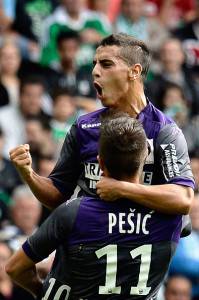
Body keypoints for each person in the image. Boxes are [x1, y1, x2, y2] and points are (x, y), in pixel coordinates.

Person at [9, 33, 194, 215]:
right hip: (87, 241)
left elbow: (183, 199)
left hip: (141, 241)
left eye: (106, 64)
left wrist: (122, 188)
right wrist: (29, 175)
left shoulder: (164, 129)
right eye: (94, 64)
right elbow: (57, 196)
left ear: (134, 72)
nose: (95, 71)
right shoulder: (83, 127)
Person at [6, 114, 184, 299]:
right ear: (146, 155)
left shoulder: (73, 213)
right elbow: (179, 200)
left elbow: (14, 268)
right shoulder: (172, 219)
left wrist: (42, 292)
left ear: (100, 162)